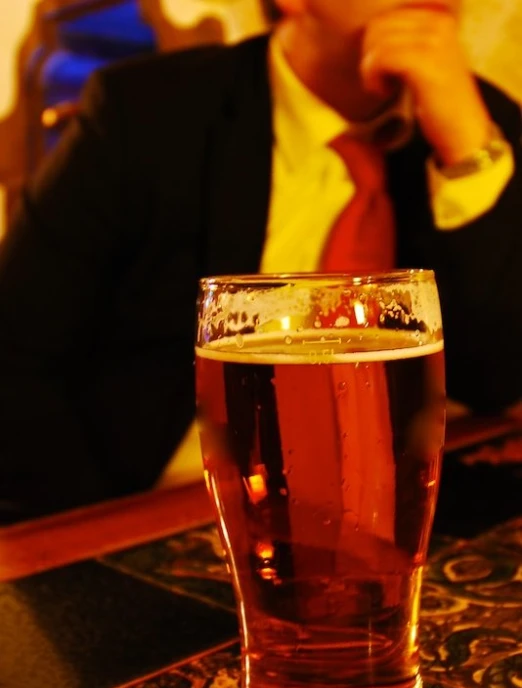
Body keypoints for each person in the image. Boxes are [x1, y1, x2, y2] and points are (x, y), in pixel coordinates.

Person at [0, 0, 520, 522]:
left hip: (387, 514)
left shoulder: (478, 124)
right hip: (163, 502)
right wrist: (102, 530)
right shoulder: (149, 111)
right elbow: (15, 352)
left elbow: (500, 382)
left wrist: (465, 151)